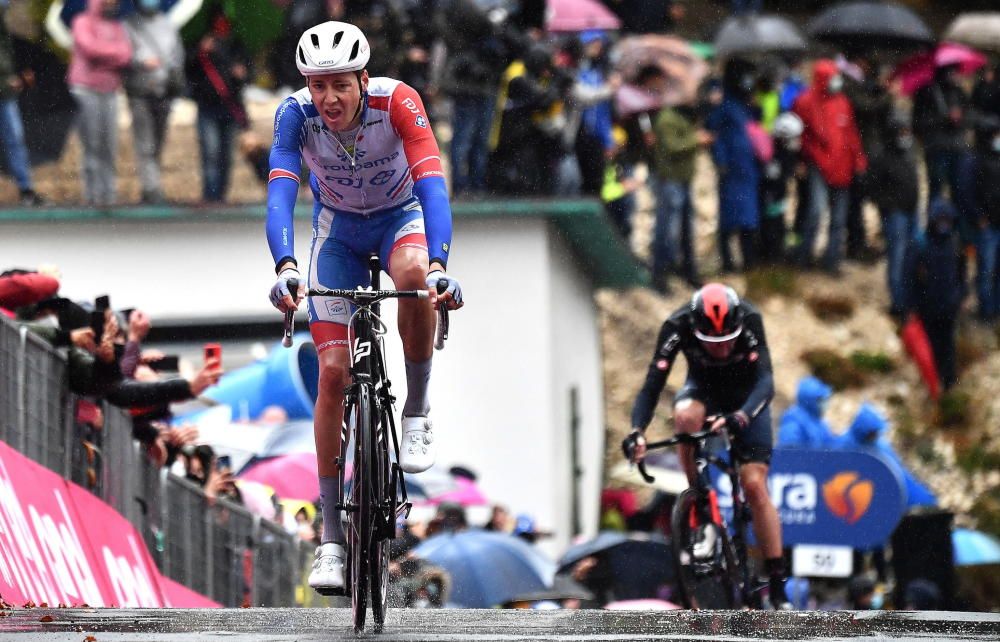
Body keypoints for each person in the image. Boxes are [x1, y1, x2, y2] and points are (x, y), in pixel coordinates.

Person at [265, 21, 463, 594]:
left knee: (411, 275)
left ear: (362, 80)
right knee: (331, 373)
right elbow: (280, 190)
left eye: (340, 85)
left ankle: (418, 407)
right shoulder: (294, 115)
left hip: (401, 219)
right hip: (339, 236)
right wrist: (284, 267)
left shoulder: (398, 101)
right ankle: (330, 539)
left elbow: (432, 185)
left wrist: (439, 264)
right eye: (318, 85)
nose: (329, 98)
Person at [623, 283, 790, 607]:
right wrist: (637, 431)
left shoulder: (750, 317)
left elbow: (766, 381)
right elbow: (651, 386)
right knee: (685, 417)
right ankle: (697, 498)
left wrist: (741, 417)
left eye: (728, 341)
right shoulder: (677, 325)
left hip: (747, 400)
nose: (722, 350)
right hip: (703, 392)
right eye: (713, 344)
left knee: (754, 485)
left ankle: (777, 578)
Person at [792, 59, 867, 274]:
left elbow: (851, 133)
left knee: (839, 218)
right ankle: (804, 255)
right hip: (818, 164)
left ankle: (832, 261)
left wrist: (859, 159)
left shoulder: (843, 102)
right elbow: (799, 134)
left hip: (842, 167)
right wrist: (801, 160)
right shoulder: (805, 102)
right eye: (832, 77)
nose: (836, 81)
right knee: (815, 211)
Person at [67, 0, 133, 207]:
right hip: (86, 90)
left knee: (109, 145)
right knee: (91, 144)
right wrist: (113, 54)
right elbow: (89, 49)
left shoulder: (118, 26)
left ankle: (109, 194)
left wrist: (106, 54)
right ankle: (92, 194)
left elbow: (127, 54)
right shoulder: (81, 22)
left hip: (110, 91)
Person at [186, 8, 250, 204]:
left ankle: (221, 195)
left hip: (230, 107)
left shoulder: (236, 45)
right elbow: (188, 70)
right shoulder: (201, 44)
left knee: (226, 156)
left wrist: (242, 73)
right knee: (210, 153)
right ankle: (210, 195)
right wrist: (200, 52)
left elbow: (248, 73)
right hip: (207, 106)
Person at [124, 0, 185, 204]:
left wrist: (173, 77)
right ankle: (152, 189)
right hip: (140, 92)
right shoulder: (128, 25)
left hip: (164, 92)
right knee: (146, 144)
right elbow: (123, 56)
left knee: (157, 143)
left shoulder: (167, 25)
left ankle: (151, 183)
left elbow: (177, 55)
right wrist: (140, 62)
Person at [905, 198, 967, 391]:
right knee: (931, 348)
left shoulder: (955, 244)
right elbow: (909, 278)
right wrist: (910, 308)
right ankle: (934, 385)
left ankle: (948, 385)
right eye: (940, 220)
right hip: (927, 308)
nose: (944, 225)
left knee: (948, 346)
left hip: (949, 306)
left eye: (947, 220)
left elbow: (961, 273)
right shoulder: (920, 244)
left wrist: (961, 295)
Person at [650, 98, 710, 292]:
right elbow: (672, 146)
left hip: (684, 180)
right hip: (670, 181)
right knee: (667, 230)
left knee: (686, 230)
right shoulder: (667, 119)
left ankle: (688, 272)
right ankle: (660, 275)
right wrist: (696, 139)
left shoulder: (684, 117)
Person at [707, 59, 761, 272]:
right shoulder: (725, 105)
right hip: (731, 168)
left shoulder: (744, 104)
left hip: (747, 167)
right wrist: (720, 160)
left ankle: (748, 260)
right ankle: (728, 261)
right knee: (729, 218)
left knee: (747, 217)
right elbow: (714, 132)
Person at [864, 114, 919, 318]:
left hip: (911, 212)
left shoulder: (908, 153)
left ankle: (911, 298)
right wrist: (888, 205)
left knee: (912, 256)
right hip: (896, 215)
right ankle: (898, 304)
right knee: (896, 258)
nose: (906, 136)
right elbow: (871, 188)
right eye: (902, 132)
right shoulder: (881, 157)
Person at [0, 0, 44, 205]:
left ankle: (26, 189)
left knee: (15, 139)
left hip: (6, 93)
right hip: (5, 88)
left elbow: (9, 57)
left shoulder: (5, 32)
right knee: (14, 139)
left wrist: (16, 76)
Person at [776, 375, 836, 449]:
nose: (825, 403)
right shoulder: (793, 422)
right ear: (812, 401)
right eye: (821, 400)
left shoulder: (819, 422)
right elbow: (789, 454)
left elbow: (832, 446)